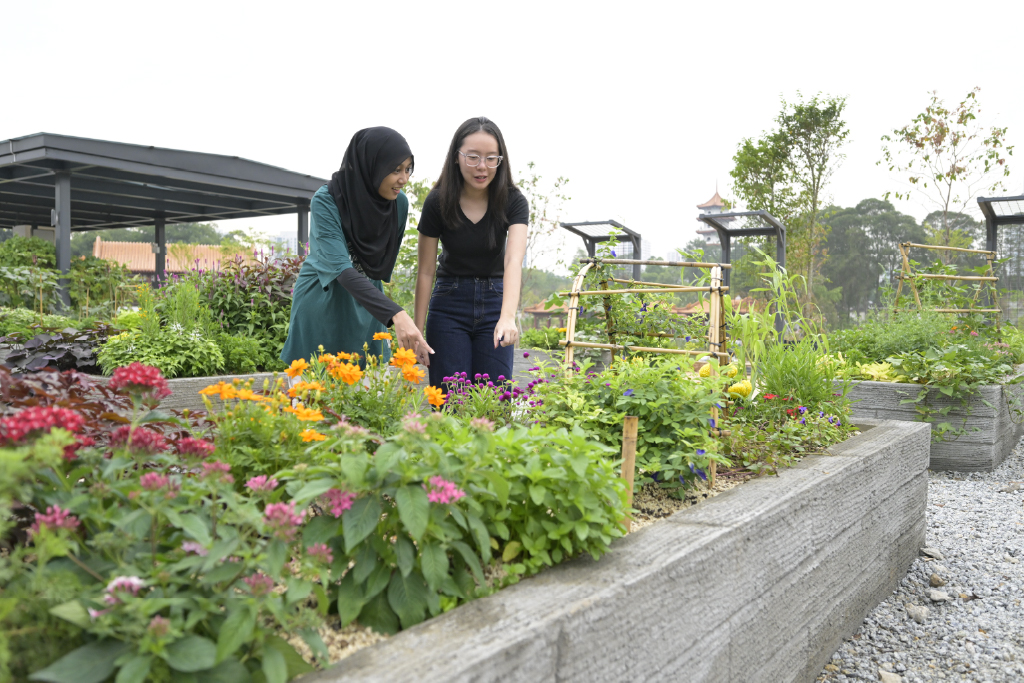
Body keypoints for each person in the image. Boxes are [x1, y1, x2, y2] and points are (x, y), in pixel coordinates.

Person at [281, 127, 432, 369]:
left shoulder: (399, 203)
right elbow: (342, 269)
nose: (403, 179)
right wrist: (397, 314)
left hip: (368, 309)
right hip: (323, 300)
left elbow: (377, 267)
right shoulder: (326, 200)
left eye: (408, 169)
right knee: (311, 400)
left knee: (367, 401)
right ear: (371, 166)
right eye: (395, 170)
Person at [414, 117, 528, 389]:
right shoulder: (437, 201)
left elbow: (513, 260)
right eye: (473, 157)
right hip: (448, 306)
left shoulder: (513, 201)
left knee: (494, 401)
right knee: (449, 399)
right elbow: (426, 270)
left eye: (491, 158)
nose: (482, 167)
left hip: (495, 304)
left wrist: (507, 316)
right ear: (457, 157)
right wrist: (417, 332)